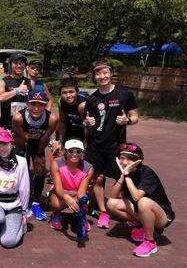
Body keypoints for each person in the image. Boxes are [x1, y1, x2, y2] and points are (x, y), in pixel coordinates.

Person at [84, 59, 139, 229]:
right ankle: (103, 212)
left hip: (117, 146)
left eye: (105, 72)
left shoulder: (125, 94)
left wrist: (127, 120)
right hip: (95, 145)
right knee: (98, 179)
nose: (102, 76)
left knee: (121, 178)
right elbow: (87, 120)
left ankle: (125, 209)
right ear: (94, 76)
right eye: (98, 73)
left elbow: (135, 117)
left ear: (110, 73)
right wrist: (87, 123)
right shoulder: (92, 99)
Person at [106, 143, 175, 257]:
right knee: (111, 203)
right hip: (140, 210)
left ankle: (150, 242)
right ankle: (141, 226)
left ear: (138, 161)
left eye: (129, 159)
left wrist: (127, 176)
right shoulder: (123, 171)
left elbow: (137, 196)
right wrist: (123, 176)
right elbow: (113, 196)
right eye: (122, 158)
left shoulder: (146, 172)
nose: (124, 162)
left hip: (161, 215)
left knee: (143, 202)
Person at [12, 91, 58, 221]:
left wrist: (39, 154)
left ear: (45, 105)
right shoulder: (18, 117)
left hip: (39, 143)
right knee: (21, 170)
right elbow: (19, 137)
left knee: (40, 168)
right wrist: (22, 156)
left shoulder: (52, 119)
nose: (36, 108)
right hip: (22, 143)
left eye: (40, 105)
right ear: (27, 104)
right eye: (33, 104)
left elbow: (45, 139)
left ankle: (36, 202)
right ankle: (20, 199)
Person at [49, 139, 94, 238]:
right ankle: (56, 214)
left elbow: (81, 192)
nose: (74, 154)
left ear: (82, 153)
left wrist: (79, 201)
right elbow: (58, 189)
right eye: (71, 150)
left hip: (77, 194)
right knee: (55, 204)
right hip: (61, 193)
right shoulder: (56, 163)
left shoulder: (89, 168)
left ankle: (81, 216)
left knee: (84, 202)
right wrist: (67, 197)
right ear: (65, 151)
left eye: (78, 151)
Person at [0, 53, 30, 128]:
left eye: (21, 63)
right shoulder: (2, 81)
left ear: (25, 65)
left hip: (26, 125)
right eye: (16, 63)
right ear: (11, 64)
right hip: (7, 125)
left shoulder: (29, 82)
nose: (19, 65)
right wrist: (18, 90)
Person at [57, 77, 87, 144]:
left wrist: (87, 142)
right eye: (64, 93)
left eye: (71, 92)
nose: (68, 95)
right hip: (71, 125)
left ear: (77, 92)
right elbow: (62, 122)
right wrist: (61, 141)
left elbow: (88, 125)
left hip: (84, 127)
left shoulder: (83, 104)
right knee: (58, 126)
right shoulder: (61, 102)